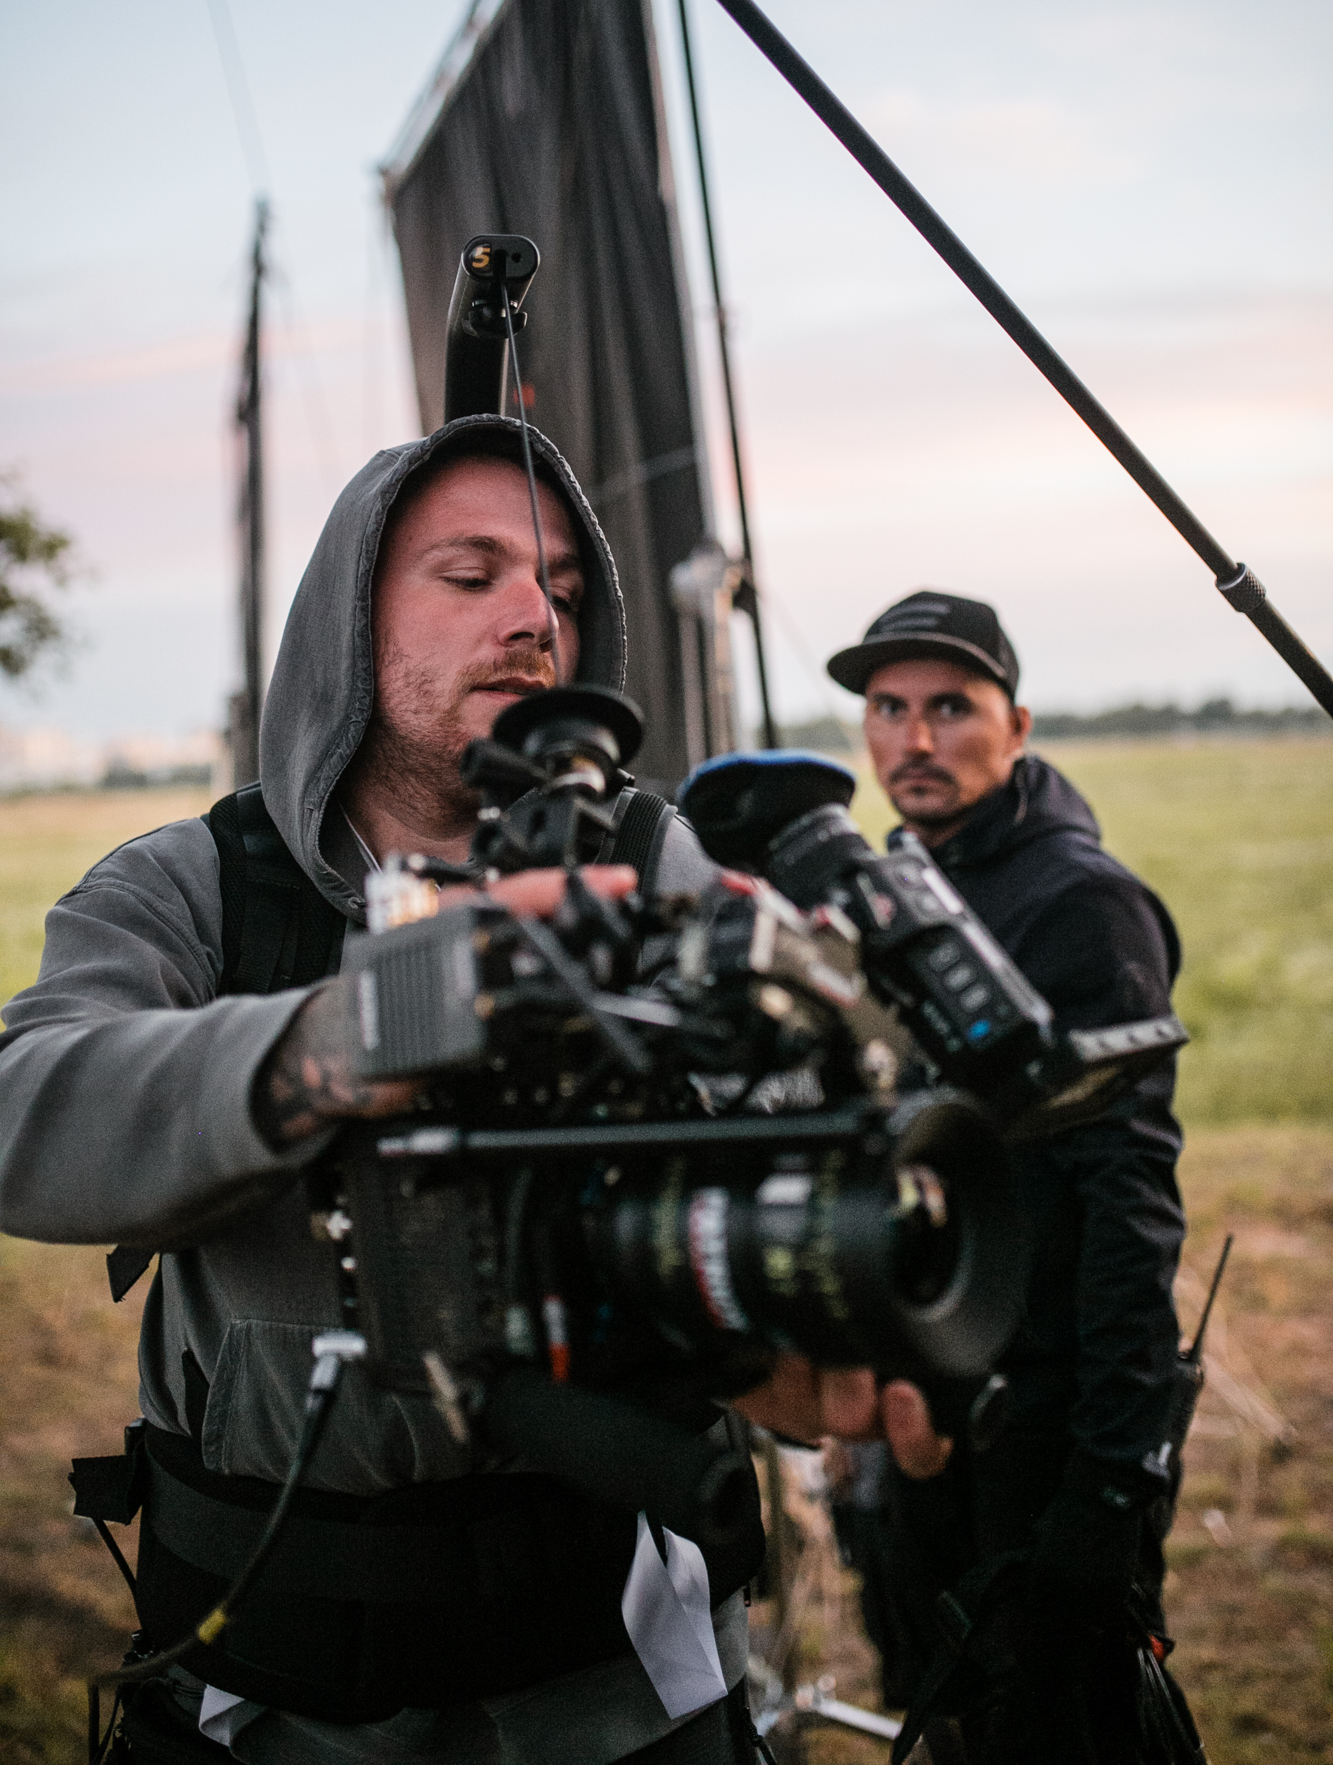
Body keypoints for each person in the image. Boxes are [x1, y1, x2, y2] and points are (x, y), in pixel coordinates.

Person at [0, 415, 923, 1765]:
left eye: (561, 589)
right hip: (279, 1695)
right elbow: (25, 1112)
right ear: (348, 619)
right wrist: (344, 1038)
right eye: (470, 573)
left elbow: (790, 1154)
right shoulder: (194, 887)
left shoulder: (651, 867)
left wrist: (799, 1337)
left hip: (626, 1690)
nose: (533, 619)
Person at [824, 590, 1188, 1765]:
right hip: (917, 1407)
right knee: (947, 1713)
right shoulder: (890, 885)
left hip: (1040, 1423)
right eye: (888, 709)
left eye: (950, 707)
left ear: (1016, 726)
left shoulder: (1080, 902)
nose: (914, 738)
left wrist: (1112, 1477)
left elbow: (1131, 1204)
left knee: (1059, 1725)